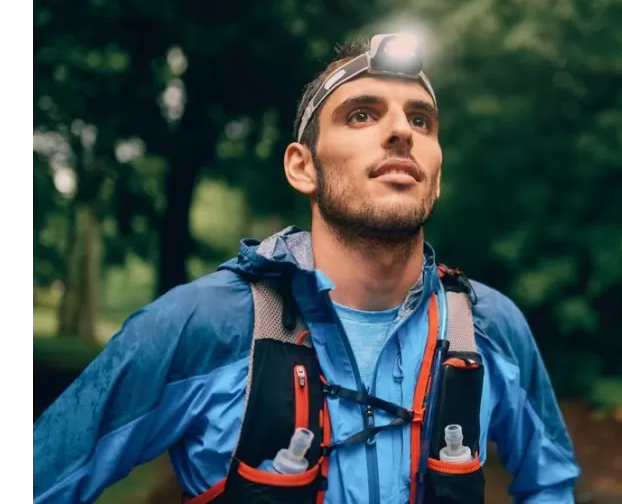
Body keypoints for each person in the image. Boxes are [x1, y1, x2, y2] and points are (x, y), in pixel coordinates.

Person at [33, 34, 581, 504]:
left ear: (435, 174)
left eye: (420, 119)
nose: (401, 132)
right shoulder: (198, 324)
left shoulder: (490, 325)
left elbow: (550, 482)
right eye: (362, 114)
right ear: (302, 167)